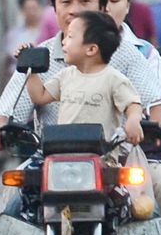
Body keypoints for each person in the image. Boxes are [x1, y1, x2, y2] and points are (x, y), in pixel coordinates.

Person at [0, 0, 161, 235]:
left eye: (84, 1)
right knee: (14, 194)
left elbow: (157, 109)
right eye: (65, 2)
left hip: (119, 161)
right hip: (51, 161)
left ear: (103, 7)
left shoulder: (128, 55)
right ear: (53, 8)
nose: (75, 11)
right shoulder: (38, 57)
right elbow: (7, 114)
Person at [22, 10, 143, 145]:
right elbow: (39, 96)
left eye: (70, 36)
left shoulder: (113, 78)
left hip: (101, 157)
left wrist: (133, 120)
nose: (63, 42)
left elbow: (132, 104)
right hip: (63, 153)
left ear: (91, 49)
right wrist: (30, 67)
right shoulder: (66, 75)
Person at [103, 0, 161, 96]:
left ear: (127, 5)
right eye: (99, 0)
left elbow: (158, 108)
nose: (106, 8)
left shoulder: (146, 55)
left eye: (114, 0)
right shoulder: (67, 51)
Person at [2, 0, 44, 88]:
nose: (32, 12)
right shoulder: (13, 34)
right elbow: (7, 61)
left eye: (35, 8)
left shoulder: (46, 32)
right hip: (18, 84)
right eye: (28, 9)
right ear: (22, 10)